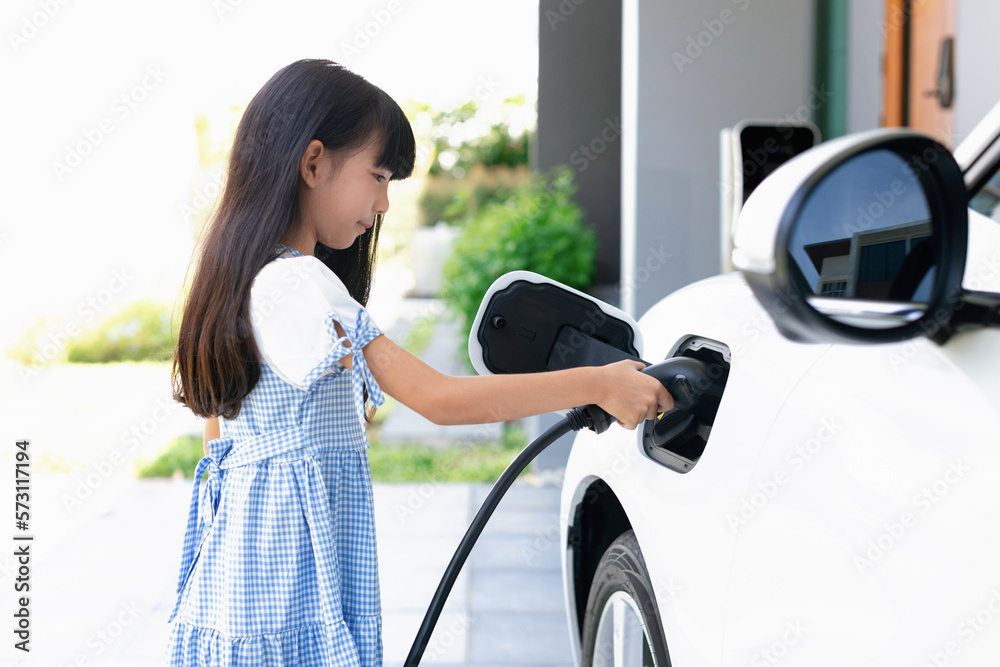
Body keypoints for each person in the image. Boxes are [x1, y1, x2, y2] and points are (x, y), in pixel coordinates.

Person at [167, 58, 672, 666]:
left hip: (241, 576)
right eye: (378, 176)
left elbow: (216, 433)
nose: (383, 203)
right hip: (287, 587)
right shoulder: (300, 284)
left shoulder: (249, 275)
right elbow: (438, 400)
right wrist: (597, 381)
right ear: (313, 163)